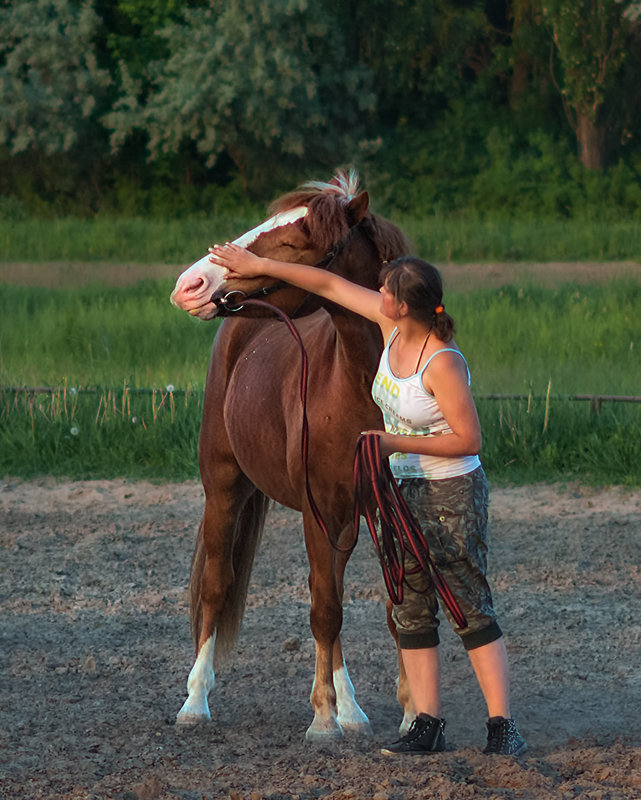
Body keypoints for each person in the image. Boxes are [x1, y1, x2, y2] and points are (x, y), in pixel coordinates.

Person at [207, 244, 527, 757]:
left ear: (406, 305)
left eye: (385, 291)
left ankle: (502, 726)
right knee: (410, 609)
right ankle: (427, 723)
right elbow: (327, 286)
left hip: (450, 493)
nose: (376, 295)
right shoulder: (389, 328)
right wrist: (260, 267)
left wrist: (393, 442)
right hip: (399, 490)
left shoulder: (443, 364)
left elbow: (469, 440)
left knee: (470, 609)